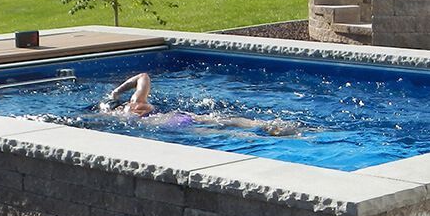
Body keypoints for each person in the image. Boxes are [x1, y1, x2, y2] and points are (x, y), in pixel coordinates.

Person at [100, 73, 301, 136]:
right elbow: (143, 76)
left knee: (222, 133)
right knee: (225, 120)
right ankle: (270, 126)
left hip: (168, 123)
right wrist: (117, 91)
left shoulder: (120, 114)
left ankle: (254, 137)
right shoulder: (137, 101)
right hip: (181, 115)